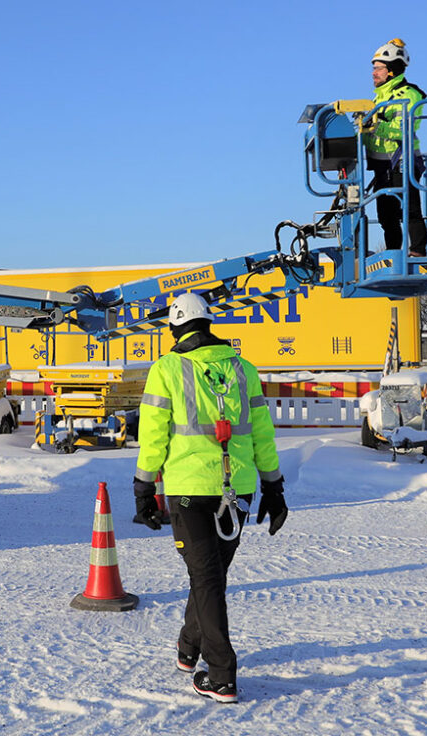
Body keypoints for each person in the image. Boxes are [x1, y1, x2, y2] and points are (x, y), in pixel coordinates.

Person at [133, 293, 287, 704]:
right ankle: (188, 648)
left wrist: (143, 487)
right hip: (237, 491)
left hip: (188, 492)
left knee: (206, 579)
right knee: (210, 578)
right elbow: (261, 435)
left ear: (175, 328)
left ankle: (221, 676)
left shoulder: (166, 369)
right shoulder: (243, 370)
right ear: (207, 324)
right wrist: (274, 486)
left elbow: (152, 438)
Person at [365, 38, 427, 256]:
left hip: (403, 159)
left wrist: (374, 127)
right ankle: (393, 253)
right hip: (381, 165)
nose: (374, 73)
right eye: (374, 68)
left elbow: (404, 128)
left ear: (391, 71)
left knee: (409, 207)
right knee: (386, 214)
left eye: (378, 68)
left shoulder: (407, 94)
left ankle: (418, 250)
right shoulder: (379, 99)